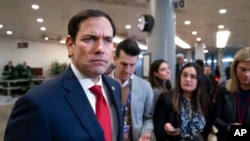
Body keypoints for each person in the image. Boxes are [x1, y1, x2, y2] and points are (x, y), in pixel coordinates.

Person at [4, 9, 123, 141]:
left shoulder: (115, 87)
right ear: (70, 45)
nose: (100, 48)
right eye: (89, 39)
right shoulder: (38, 103)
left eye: (107, 40)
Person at [153, 62, 213, 141]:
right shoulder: (166, 98)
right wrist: (166, 131)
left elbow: (208, 126)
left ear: (199, 80)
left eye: (193, 77)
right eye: (184, 75)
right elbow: (158, 131)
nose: (188, 79)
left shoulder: (204, 101)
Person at [110, 38, 154, 141]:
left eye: (132, 65)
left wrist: (145, 133)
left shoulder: (145, 86)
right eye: (124, 64)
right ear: (114, 59)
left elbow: (148, 118)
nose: (128, 70)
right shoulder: (103, 83)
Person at [214, 47, 250, 141]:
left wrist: (241, 132)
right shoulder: (223, 88)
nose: (247, 74)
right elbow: (215, 118)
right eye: (242, 69)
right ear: (235, 68)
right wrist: (229, 128)